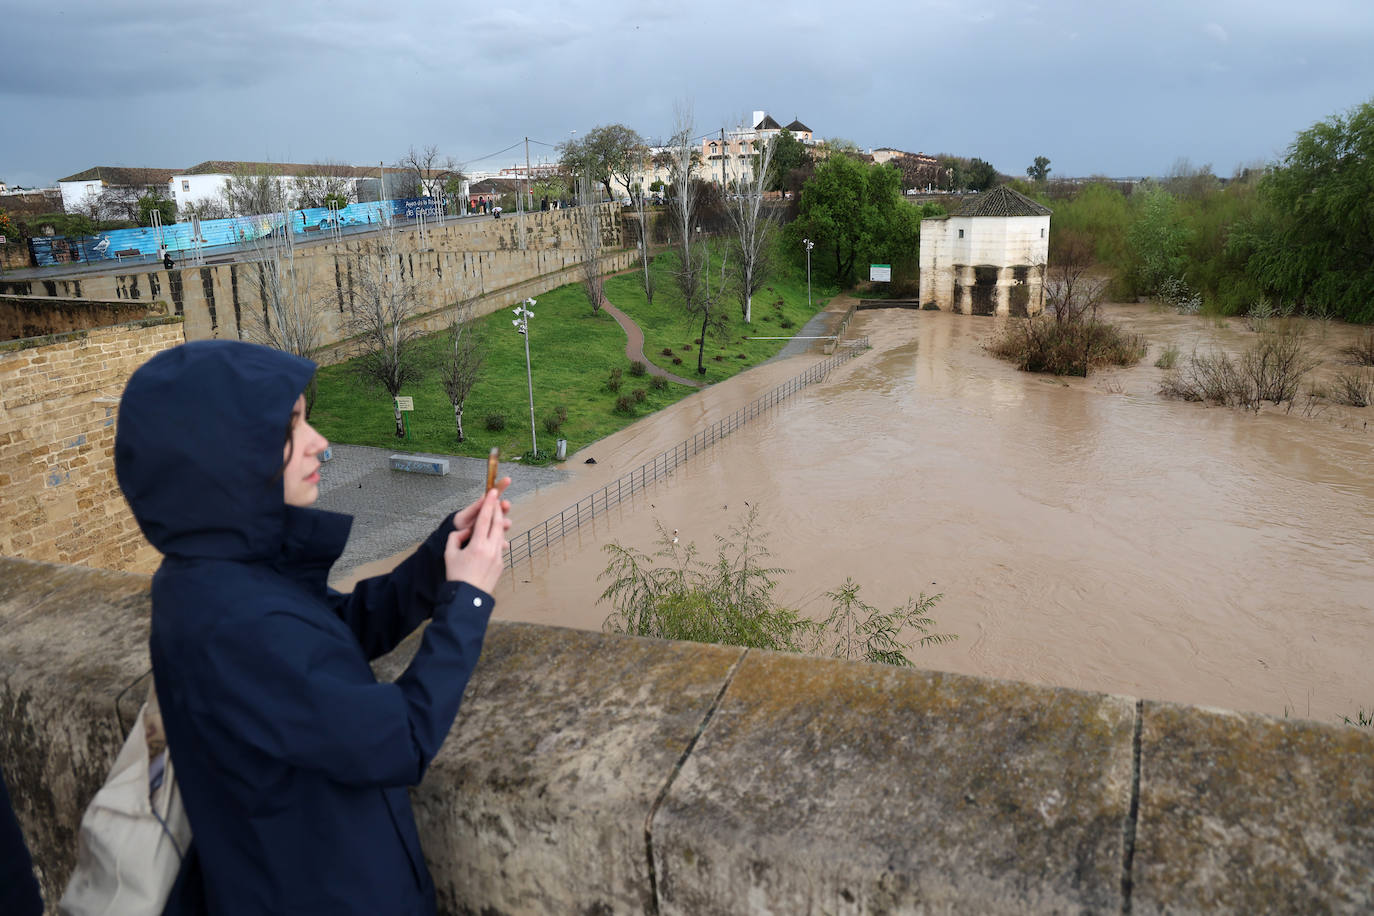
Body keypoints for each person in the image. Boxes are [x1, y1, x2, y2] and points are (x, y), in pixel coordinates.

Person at [113, 340, 511, 915]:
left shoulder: (218, 575)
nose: (320, 443)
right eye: (292, 427)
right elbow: (399, 738)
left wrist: (438, 558)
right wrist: (467, 600)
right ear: (226, 457)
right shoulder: (233, 621)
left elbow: (335, 632)